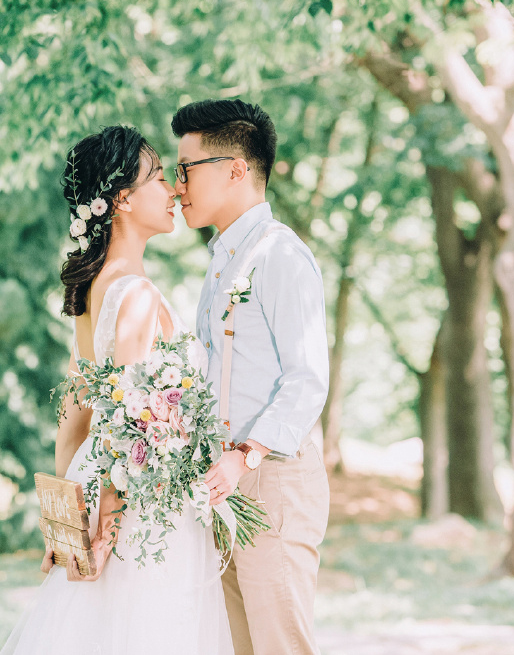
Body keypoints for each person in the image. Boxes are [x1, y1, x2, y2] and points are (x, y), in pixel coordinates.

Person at [0, 125, 233, 655]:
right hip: (136, 507)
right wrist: (105, 533)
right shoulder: (138, 296)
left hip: (99, 485)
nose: (173, 190)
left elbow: (72, 422)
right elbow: (128, 429)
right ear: (123, 199)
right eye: (159, 177)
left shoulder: (91, 293)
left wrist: (64, 525)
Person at [172, 99, 331, 655]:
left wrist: (247, 456)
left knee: (280, 645)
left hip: (272, 479)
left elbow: (307, 379)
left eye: (186, 169)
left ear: (236, 169)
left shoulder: (281, 255)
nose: (177, 187)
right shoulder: (223, 259)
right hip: (223, 481)